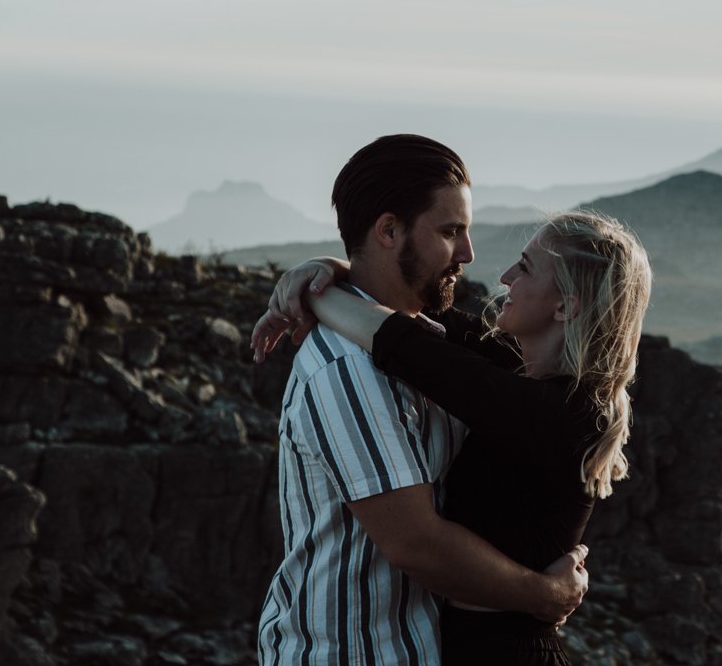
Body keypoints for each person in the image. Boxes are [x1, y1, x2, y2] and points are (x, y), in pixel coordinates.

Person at [256, 205, 653, 665]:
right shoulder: (520, 372)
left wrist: (316, 293)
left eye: (524, 268)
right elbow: (414, 313)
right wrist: (329, 269)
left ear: (566, 305)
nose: (504, 277)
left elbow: (403, 344)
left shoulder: (565, 413)